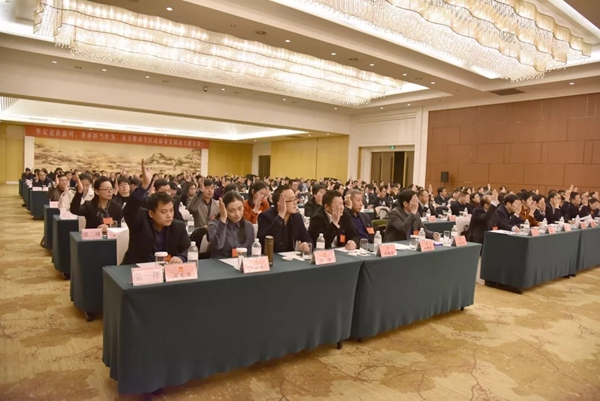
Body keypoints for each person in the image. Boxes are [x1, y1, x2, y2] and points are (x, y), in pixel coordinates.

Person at [122, 160, 190, 265]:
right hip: (137, 268)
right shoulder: (140, 220)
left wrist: (181, 257)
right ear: (151, 213)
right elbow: (129, 210)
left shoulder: (178, 226)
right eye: (164, 212)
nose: (169, 215)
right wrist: (144, 186)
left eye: (171, 210)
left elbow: (189, 248)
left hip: (166, 269)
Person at [257, 185, 312, 252]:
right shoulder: (265, 216)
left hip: (290, 257)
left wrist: (306, 244)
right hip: (270, 256)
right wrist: (280, 215)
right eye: (291, 200)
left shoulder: (296, 217)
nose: (295, 203)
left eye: (295, 199)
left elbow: (308, 239)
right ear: (279, 203)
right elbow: (264, 241)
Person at [208, 191, 255, 258]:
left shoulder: (248, 226)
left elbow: (250, 253)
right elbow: (217, 246)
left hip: (242, 262)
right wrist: (223, 218)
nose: (237, 214)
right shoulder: (214, 224)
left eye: (240, 208)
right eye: (232, 211)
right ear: (224, 210)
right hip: (220, 263)